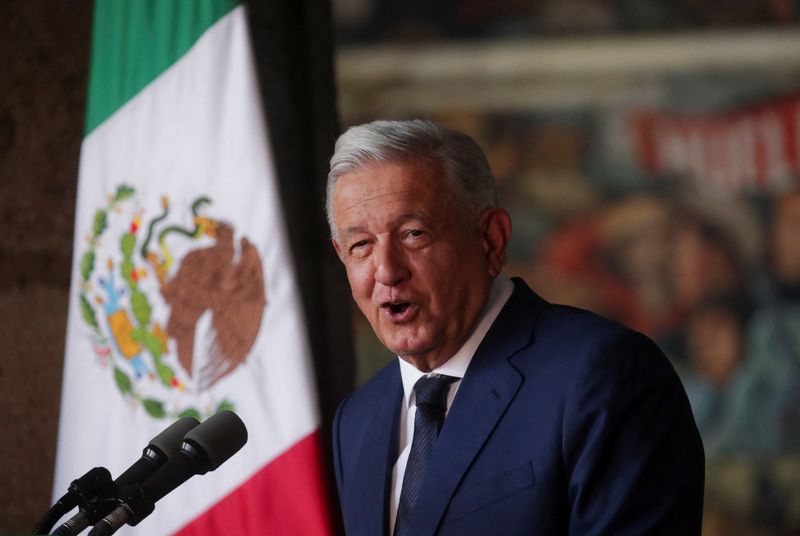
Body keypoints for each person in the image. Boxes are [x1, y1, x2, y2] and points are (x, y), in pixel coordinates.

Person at [328, 119, 704, 535]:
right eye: (360, 245)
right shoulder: (357, 420)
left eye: (414, 234)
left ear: (491, 238)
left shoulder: (606, 375)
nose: (386, 270)